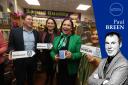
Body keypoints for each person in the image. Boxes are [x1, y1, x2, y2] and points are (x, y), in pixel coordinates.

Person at [8, 14, 39, 85]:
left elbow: (37, 46)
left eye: (32, 20)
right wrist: (11, 51)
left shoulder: (36, 32)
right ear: (23, 21)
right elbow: (11, 45)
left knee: (31, 80)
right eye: (29, 19)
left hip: (32, 60)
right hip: (20, 60)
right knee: (20, 80)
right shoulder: (14, 31)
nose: (31, 21)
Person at [50, 18, 82, 85]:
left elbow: (80, 53)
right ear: (61, 26)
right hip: (59, 67)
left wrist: (72, 55)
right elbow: (52, 51)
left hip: (70, 69)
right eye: (64, 24)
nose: (66, 26)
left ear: (71, 28)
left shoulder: (77, 38)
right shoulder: (56, 38)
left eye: (68, 25)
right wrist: (54, 56)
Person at [39, 17, 60, 85]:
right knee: (47, 70)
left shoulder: (58, 34)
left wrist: (52, 48)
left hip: (53, 55)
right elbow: (39, 44)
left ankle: (51, 81)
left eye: (52, 23)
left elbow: (59, 45)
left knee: (53, 70)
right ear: (46, 24)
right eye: (48, 23)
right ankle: (47, 78)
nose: (50, 25)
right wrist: (40, 48)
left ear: (54, 25)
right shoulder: (42, 33)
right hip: (44, 56)